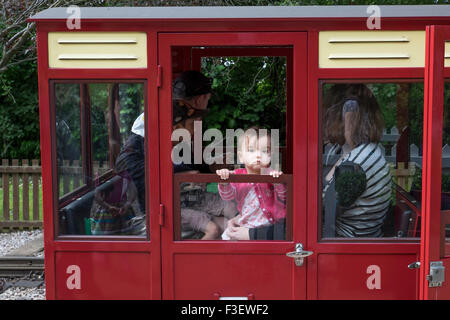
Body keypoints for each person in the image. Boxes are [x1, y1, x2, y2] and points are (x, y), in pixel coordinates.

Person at [321, 83, 391, 237]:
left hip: (347, 242)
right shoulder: (363, 151)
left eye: (329, 115)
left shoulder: (357, 164)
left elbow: (324, 209)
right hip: (353, 236)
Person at [172, 70, 232, 240]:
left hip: (191, 198)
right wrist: (181, 175)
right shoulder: (174, 129)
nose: (198, 125)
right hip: (172, 204)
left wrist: (212, 166)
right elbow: (143, 176)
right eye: (195, 122)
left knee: (231, 216)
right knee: (215, 228)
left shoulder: (185, 134)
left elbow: (197, 165)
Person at [216, 127, 286, 240]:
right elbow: (228, 196)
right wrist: (224, 182)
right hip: (246, 225)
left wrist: (278, 183)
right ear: (241, 157)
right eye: (251, 150)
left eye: (264, 151)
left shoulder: (272, 174)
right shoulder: (236, 175)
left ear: (270, 155)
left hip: (269, 227)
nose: (258, 155)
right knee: (226, 240)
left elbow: (284, 197)